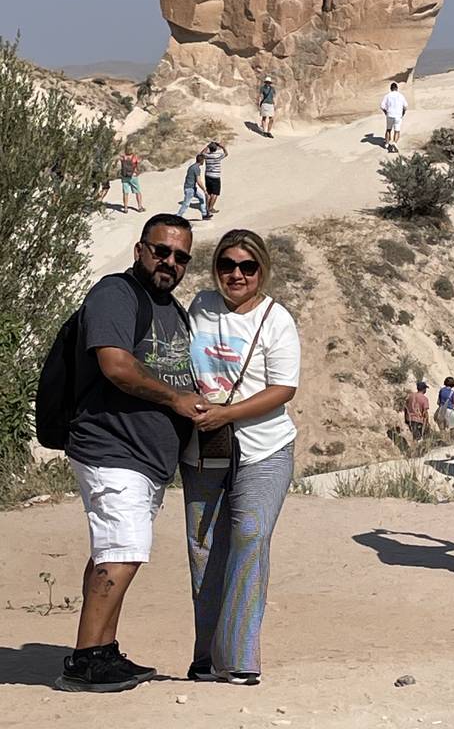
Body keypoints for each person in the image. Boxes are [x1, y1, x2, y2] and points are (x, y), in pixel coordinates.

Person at [58, 214, 210, 692]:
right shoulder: (115, 294)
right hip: (112, 447)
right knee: (122, 551)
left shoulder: (170, 308)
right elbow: (116, 365)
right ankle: (84, 663)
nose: (170, 262)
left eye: (181, 257)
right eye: (162, 251)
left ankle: (101, 649)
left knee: (114, 550)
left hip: (145, 458)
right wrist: (176, 400)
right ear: (140, 248)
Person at [181, 228, 301, 686]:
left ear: (261, 271)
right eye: (227, 265)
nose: (236, 274)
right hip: (204, 448)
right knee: (204, 549)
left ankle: (241, 656)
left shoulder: (277, 320)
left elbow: (284, 388)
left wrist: (227, 413)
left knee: (250, 536)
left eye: (247, 266)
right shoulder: (201, 307)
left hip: (263, 446)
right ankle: (207, 656)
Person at [178, 154, 210, 221]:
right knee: (186, 204)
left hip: (191, 188)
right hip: (190, 189)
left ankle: (204, 215)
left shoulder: (192, 167)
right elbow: (199, 181)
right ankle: (178, 216)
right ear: (202, 161)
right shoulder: (196, 168)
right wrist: (204, 190)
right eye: (203, 160)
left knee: (201, 198)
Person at [380, 81, 408, 153]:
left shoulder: (387, 96)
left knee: (388, 129)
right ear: (397, 88)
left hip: (390, 114)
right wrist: (403, 113)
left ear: (390, 89)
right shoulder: (401, 96)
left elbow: (382, 106)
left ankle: (386, 143)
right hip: (398, 115)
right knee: (397, 130)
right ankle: (394, 143)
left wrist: (386, 112)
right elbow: (405, 106)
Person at [201, 140, 228, 214]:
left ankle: (207, 207)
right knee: (215, 193)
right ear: (216, 149)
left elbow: (202, 153)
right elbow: (226, 153)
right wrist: (222, 146)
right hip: (215, 176)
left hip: (207, 176)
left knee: (209, 192)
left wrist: (207, 146)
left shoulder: (207, 156)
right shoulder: (217, 156)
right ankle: (211, 208)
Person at [119, 148, 145, 214]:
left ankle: (125, 208)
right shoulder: (134, 157)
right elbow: (137, 165)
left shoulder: (123, 157)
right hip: (133, 176)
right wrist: (138, 172)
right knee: (137, 191)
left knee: (125, 192)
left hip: (125, 177)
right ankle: (139, 207)